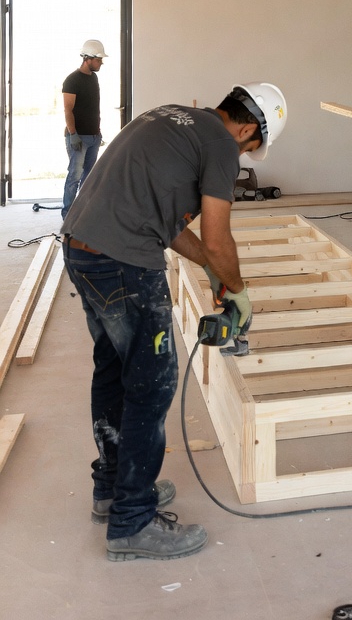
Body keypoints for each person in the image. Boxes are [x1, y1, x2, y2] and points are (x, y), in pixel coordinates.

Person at [62, 82, 287, 562]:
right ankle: (132, 523)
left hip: (82, 248)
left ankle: (112, 489)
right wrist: (240, 291)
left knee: (113, 370)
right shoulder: (222, 145)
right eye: (251, 147)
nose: (245, 154)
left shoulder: (172, 117)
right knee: (152, 384)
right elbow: (217, 230)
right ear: (247, 128)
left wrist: (208, 266)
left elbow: (166, 223)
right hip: (124, 263)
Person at [62, 38, 107, 219]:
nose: (101, 63)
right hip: (78, 137)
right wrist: (73, 134)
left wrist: (97, 131)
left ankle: (83, 214)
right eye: (98, 60)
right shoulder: (72, 80)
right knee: (75, 176)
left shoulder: (94, 78)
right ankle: (68, 215)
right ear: (87, 58)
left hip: (93, 137)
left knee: (89, 178)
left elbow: (92, 107)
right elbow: (68, 109)